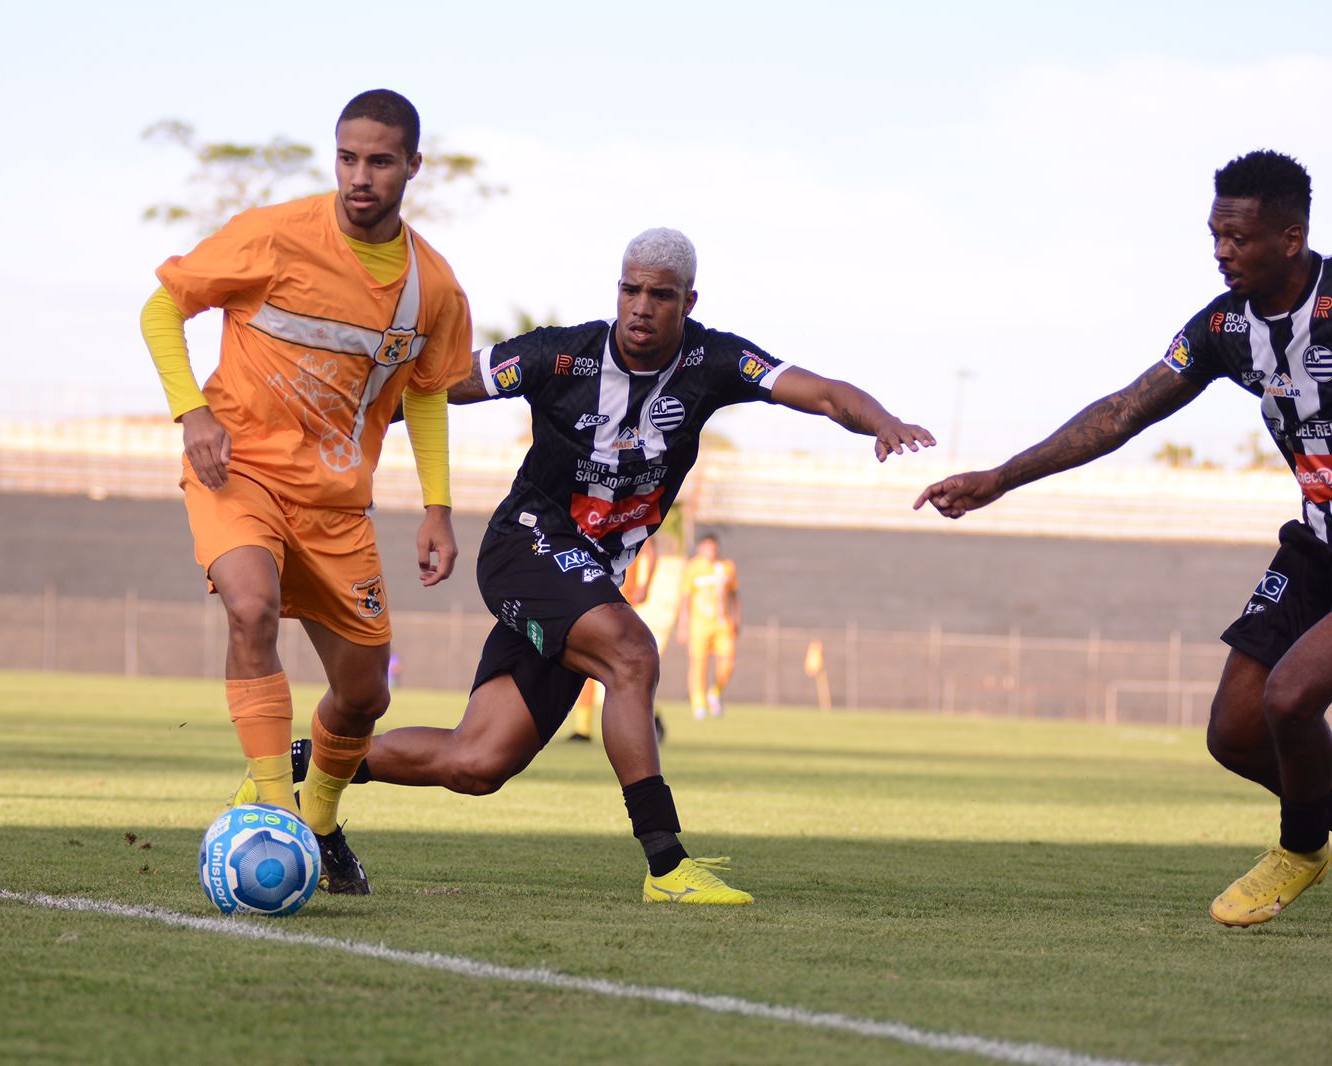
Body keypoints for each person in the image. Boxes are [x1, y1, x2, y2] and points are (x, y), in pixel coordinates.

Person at [296, 228, 934, 903]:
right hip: (526, 545)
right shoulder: (559, 354)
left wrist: (882, 419)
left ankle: (296, 766)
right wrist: (341, 422)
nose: (641, 306)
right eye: (630, 289)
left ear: (687, 302)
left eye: (660, 295)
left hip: (587, 580)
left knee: (478, 761)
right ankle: (666, 865)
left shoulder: (713, 361)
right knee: (632, 654)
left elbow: (825, 392)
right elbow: (441, 386)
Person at [915, 150, 1332, 928]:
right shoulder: (1223, 327)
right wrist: (1001, 477)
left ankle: (1302, 849)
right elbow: (1121, 413)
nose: (1221, 252)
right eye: (1214, 235)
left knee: (1293, 695)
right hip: (1316, 542)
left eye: (1237, 238)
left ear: (1291, 236)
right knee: (1235, 731)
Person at [140, 89, 472, 894]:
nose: (361, 176)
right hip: (238, 470)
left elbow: (425, 392)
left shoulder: (434, 288)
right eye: (348, 157)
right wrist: (192, 413)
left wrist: (437, 506)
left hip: (335, 507)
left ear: (411, 167)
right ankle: (271, 812)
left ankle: (319, 820)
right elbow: (162, 309)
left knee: (365, 697)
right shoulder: (274, 235)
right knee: (249, 609)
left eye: (380, 161)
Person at [567, 538, 661, 742]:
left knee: (624, 663)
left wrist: (645, 585)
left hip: (620, 600)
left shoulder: (629, 516)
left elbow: (650, 550)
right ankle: (582, 728)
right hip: (592, 598)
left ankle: (651, 716)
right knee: (588, 658)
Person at [677, 531, 739, 719]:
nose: (712, 550)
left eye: (714, 546)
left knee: (727, 663)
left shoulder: (727, 567)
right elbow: (685, 598)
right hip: (699, 624)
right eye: (708, 546)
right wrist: (683, 624)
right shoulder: (693, 568)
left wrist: (737, 617)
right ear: (700, 548)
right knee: (699, 664)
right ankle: (698, 703)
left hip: (722, 623)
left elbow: (734, 595)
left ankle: (715, 692)